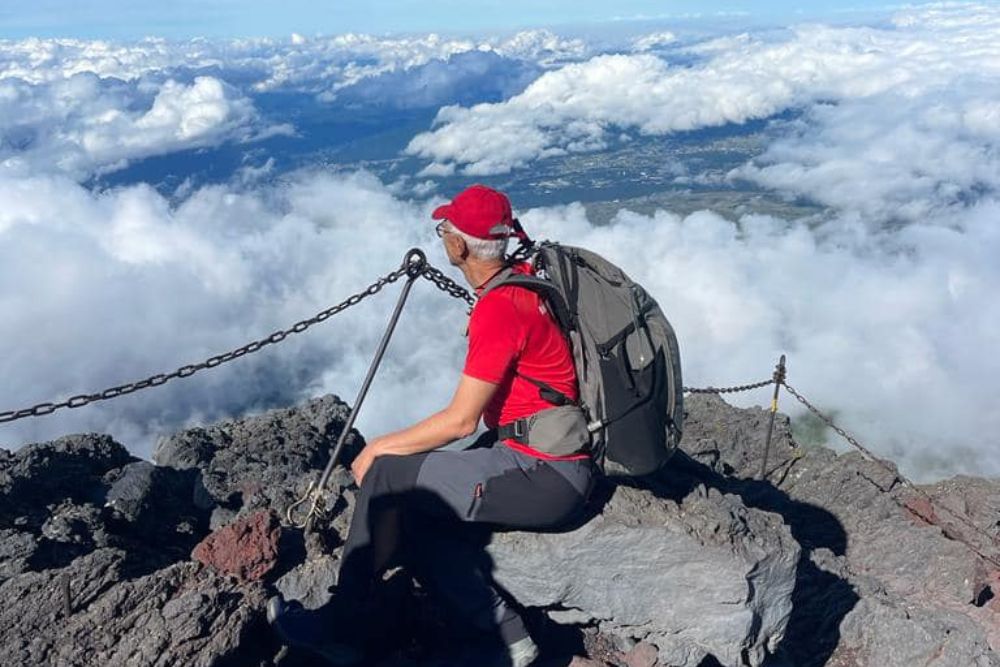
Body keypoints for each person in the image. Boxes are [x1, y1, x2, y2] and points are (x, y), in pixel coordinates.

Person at [268, 184, 594, 666]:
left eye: (445, 229)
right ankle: (506, 636)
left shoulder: (501, 308)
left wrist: (379, 447)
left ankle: (339, 627)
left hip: (545, 472)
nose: (442, 237)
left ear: (459, 247)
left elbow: (460, 421)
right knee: (418, 510)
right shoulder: (523, 281)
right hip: (548, 459)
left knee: (387, 479)